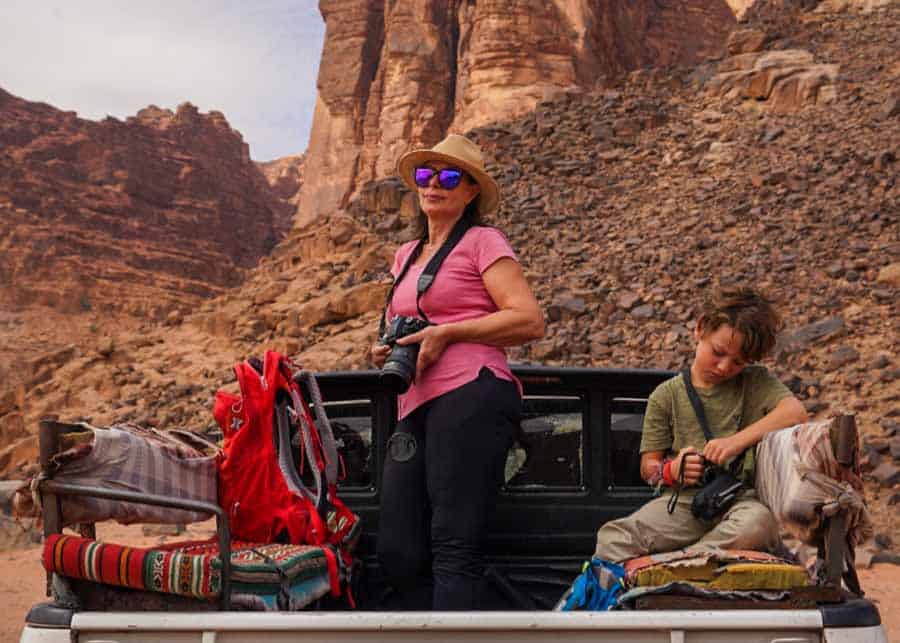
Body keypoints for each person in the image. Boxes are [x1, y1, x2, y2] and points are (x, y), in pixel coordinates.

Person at [371, 133, 544, 610]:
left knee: (454, 543)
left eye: (449, 177)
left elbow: (529, 319)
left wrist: (446, 334)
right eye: (425, 176)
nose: (433, 185)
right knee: (398, 549)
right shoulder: (405, 255)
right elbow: (404, 321)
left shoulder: (483, 240)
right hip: (416, 399)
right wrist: (389, 346)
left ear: (471, 192)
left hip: (472, 391)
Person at [594, 287, 808, 563]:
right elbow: (649, 469)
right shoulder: (665, 396)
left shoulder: (755, 383)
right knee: (612, 539)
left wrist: (735, 442)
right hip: (684, 505)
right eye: (718, 352)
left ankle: (679, 563)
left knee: (759, 523)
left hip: (740, 503)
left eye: (738, 362)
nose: (723, 367)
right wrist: (672, 471)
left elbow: (795, 412)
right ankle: (695, 559)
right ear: (700, 329)